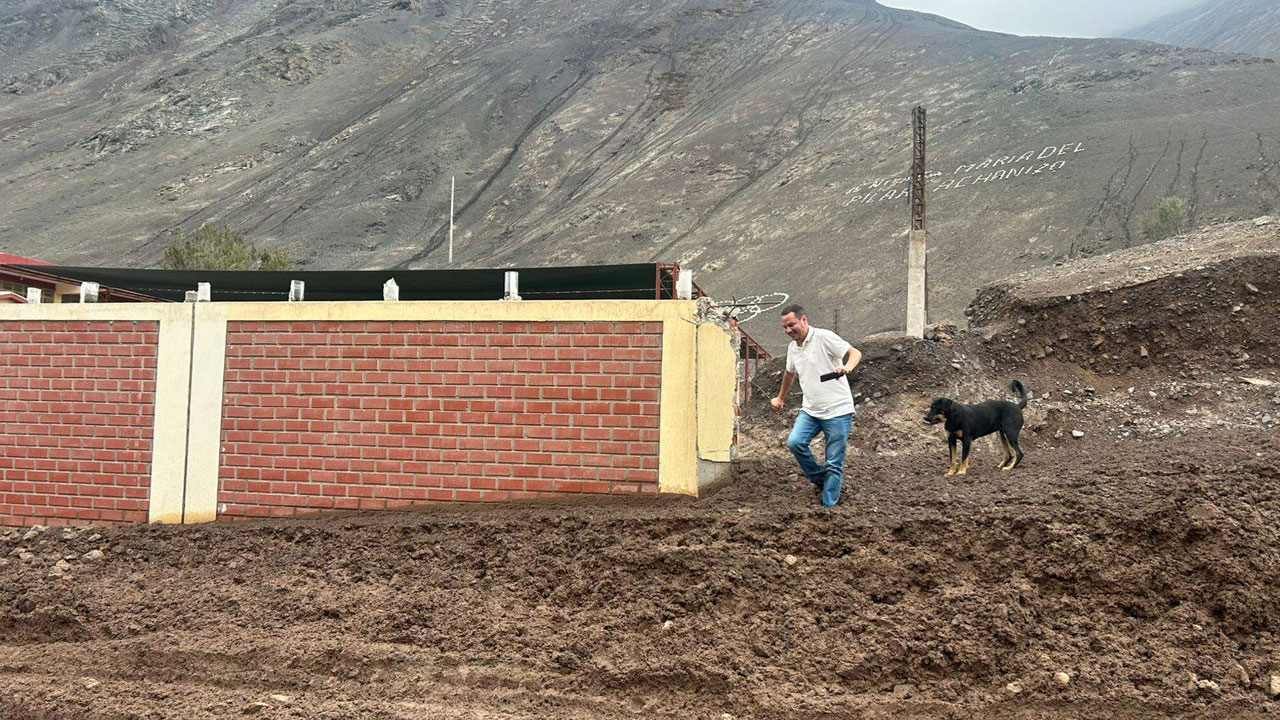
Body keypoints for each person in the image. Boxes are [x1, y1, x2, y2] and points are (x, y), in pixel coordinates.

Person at [770, 305, 861, 507]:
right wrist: (780, 397)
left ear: (804, 320)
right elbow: (789, 373)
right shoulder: (793, 348)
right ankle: (821, 479)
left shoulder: (823, 337)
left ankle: (829, 507)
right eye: (784, 327)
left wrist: (847, 367)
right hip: (811, 410)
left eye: (791, 325)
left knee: (833, 461)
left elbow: (854, 353)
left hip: (838, 411)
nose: (788, 330)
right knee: (795, 442)